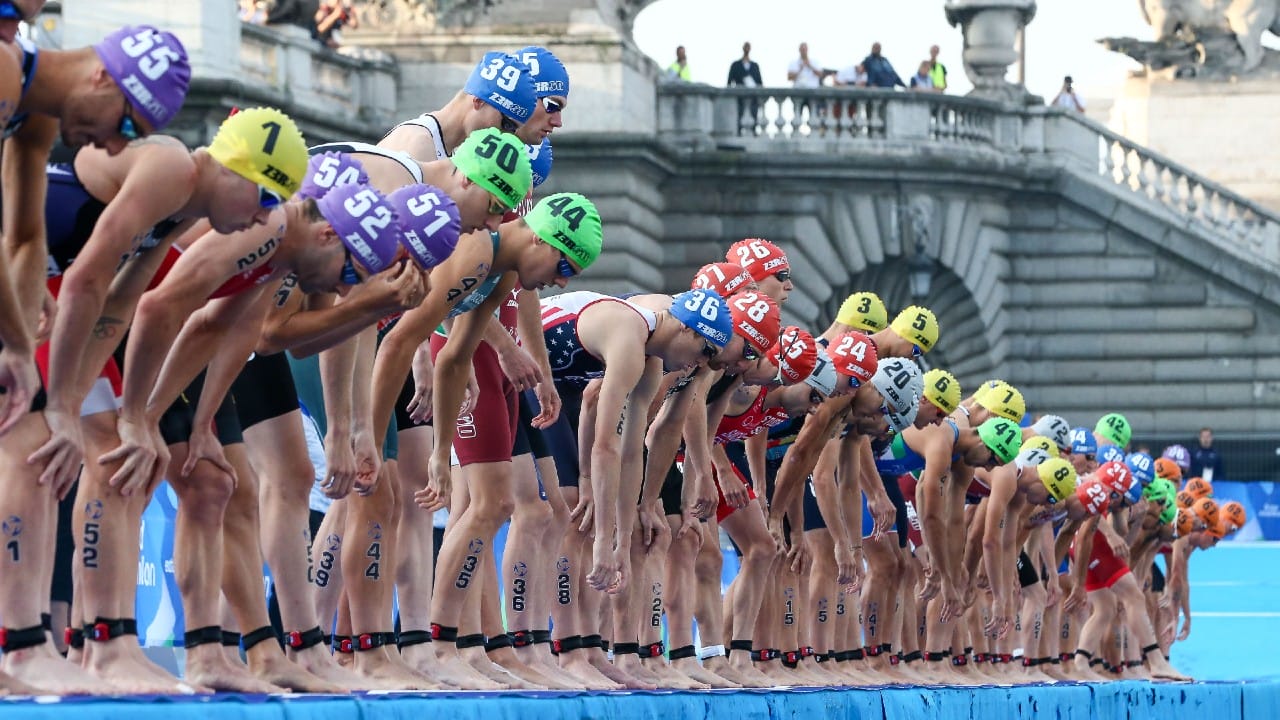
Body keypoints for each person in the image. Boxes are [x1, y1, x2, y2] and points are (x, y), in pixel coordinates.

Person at [0, 23, 192, 695]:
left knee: (63, 431)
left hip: (43, 282)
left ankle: (53, 642)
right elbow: (94, 285)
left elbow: (24, 235)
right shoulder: (172, 173)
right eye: (124, 125)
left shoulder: (36, 106)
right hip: (60, 283)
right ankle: (23, 644)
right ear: (105, 79)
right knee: (32, 436)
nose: (112, 146)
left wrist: (22, 344)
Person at [727, 42, 763, 134]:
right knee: (738, 118)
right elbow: (729, 82)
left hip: (753, 97)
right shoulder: (735, 65)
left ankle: (754, 133)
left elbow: (760, 83)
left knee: (754, 117)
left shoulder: (755, 66)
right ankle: (738, 133)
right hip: (739, 98)